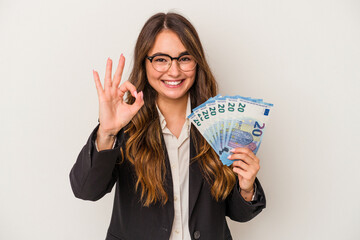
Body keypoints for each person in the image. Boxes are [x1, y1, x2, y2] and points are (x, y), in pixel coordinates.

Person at [69, 12, 266, 240]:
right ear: (145, 62)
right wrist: (106, 132)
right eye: (161, 59)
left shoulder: (219, 125)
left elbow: (237, 213)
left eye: (184, 58)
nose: (174, 71)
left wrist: (247, 188)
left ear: (197, 62)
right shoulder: (126, 125)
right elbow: (86, 190)